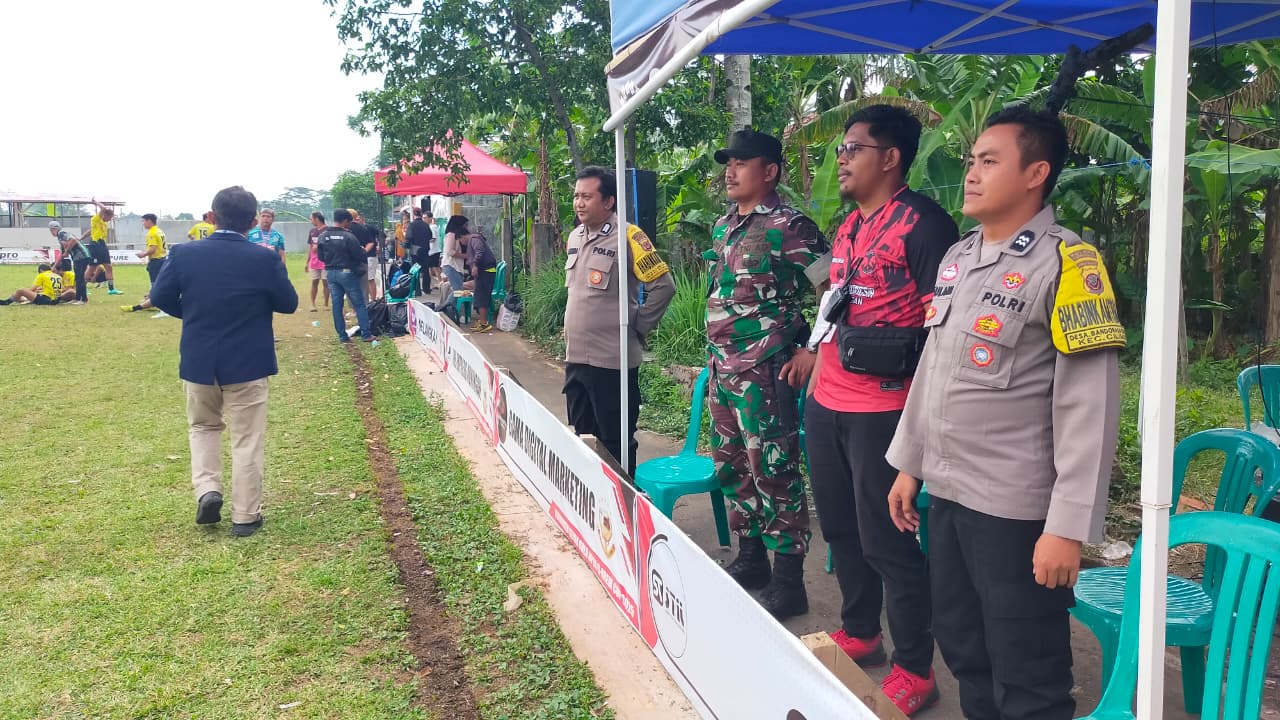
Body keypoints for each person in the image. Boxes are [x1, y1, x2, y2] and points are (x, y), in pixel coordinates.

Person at [885, 107, 1124, 720]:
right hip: (949, 495)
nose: (971, 173)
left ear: (1035, 174)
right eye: (972, 160)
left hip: (1015, 510)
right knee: (963, 646)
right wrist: (910, 465)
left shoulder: (1069, 264)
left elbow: (1089, 405)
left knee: (1028, 671)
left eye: (989, 161)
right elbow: (934, 370)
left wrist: (1067, 526)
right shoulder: (958, 258)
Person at [805, 105, 957, 715]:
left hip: (884, 409)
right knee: (841, 529)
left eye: (854, 148)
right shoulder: (848, 227)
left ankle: (915, 668)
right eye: (841, 149)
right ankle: (861, 630)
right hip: (827, 401)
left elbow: (942, 331)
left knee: (889, 542)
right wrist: (813, 359)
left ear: (890, 158)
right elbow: (833, 301)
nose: (841, 159)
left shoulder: (925, 225)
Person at [706, 128, 831, 619]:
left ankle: (788, 580)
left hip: (765, 368)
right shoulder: (724, 226)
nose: (730, 171)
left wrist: (813, 349)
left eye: (741, 163)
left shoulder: (790, 226)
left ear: (770, 171)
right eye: (728, 163)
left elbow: (834, 287)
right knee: (733, 465)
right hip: (722, 366)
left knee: (773, 470)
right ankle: (752, 557)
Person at [149, 186, 299, 538]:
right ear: (253, 221)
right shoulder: (263, 258)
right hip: (249, 361)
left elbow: (159, 296)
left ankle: (207, 489)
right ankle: (245, 516)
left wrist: (193, 313)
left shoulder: (184, 253)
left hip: (199, 359)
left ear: (212, 216)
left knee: (203, 427)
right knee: (247, 438)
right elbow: (288, 303)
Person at [563, 166, 676, 476]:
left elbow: (664, 287)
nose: (579, 203)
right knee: (582, 437)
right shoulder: (575, 236)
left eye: (587, 196)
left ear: (609, 201)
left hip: (612, 360)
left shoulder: (629, 236)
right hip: (576, 358)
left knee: (616, 441)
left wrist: (639, 324)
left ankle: (623, 499)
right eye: (576, 196)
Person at [317, 209, 374, 343]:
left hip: (331, 272)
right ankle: (366, 334)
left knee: (337, 305)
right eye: (349, 222)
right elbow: (359, 255)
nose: (349, 225)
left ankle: (342, 336)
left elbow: (320, 256)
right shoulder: (348, 236)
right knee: (359, 303)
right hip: (347, 272)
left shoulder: (323, 236)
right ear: (344, 221)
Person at [121, 213, 169, 313]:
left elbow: (153, 249)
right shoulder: (159, 231)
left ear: (149, 221)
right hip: (163, 259)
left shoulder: (152, 233)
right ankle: (151, 299)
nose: (143, 223)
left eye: (144, 221)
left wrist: (143, 254)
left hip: (156, 261)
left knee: (155, 283)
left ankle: (154, 302)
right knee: (158, 282)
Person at [81, 198, 122, 295]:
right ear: (104, 214)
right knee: (92, 267)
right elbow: (104, 208)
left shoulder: (104, 224)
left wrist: (81, 237)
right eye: (109, 217)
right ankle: (83, 289)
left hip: (102, 244)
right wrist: (95, 202)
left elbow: (91, 231)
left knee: (108, 267)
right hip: (95, 245)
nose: (110, 219)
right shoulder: (96, 219)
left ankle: (111, 289)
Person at [464, 222, 498, 332]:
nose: (462, 243)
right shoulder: (474, 239)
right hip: (485, 271)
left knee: (481, 296)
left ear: (463, 236)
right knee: (479, 296)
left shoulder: (474, 239)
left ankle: (484, 324)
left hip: (486, 271)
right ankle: (482, 321)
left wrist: (475, 265)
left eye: (460, 240)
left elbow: (479, 251)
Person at [52, 221, 91, 304]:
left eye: (51, 230)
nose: (51, 232)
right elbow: (61, 254)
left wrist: (67, 251)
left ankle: (83, 299)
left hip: (81, 256)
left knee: (80, 278)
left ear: (54, 229)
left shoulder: (61, 233)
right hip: (77, 258)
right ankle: (77, 298)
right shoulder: (60, 238)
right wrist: (54, 266)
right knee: (77, 278)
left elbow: (73, 240)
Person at [407, 207, 434, 294]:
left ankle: (417, 290)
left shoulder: (412, 225)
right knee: (425, 270)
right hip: (425, 250)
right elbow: (430, 236)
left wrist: (407, 244)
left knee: (415, 269)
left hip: (415, 251)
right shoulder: (426, 225)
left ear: (413, 214)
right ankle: (426, 289)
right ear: (421, 214)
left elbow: (409, 237)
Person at [306, 211, 329, 312]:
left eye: (311, 219)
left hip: (325, 261)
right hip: (314, 261)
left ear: (316, 219)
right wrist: (307, 261)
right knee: (314, 282)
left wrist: (319, 247)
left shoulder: (328, 230)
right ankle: (312, 304)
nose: (311, 221)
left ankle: (326, 304)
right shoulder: (312, 231)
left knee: (326, 283)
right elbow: (310, 247)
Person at [441, 214, 468, 293]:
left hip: (455, 266)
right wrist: (465, 256)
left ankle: (448, 301)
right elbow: (450, 252)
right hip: (451, 266)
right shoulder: (451, 235)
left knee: (458, 290)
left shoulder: (455, 235)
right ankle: (447, 302)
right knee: (458, 291)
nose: (466, 227)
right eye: (465, 225)